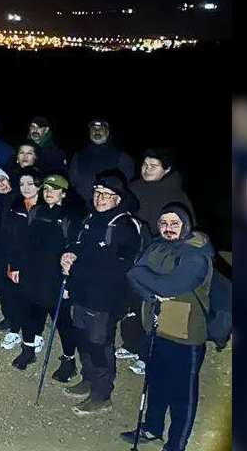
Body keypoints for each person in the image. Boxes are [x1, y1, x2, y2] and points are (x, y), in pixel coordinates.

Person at [121, 202, 215, 451]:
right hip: (157, 326)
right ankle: (152, 428)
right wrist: (153, 294)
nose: (168, 228)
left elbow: (170, 285)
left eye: (175, 223)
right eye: (164, 223)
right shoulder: (156, 244)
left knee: (182, 394)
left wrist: (152, 284)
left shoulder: (197, 254)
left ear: (185, 224)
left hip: (186, 334)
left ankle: (176, 444)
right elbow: (132, 273)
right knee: (156, 380)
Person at [59, 169, 144, 415]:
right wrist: (69, 254)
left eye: (107, 195)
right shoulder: (90, 218)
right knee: (83, 339)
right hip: (81, 292)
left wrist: (79, 265)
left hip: (104, 298)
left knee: (99, 344)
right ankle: (88, 380)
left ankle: (101, 394)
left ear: (118, 198)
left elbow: (119, 267)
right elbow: (78, 244)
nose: (100, 198)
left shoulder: (125, 225)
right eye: (98, 193)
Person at [118, 147, 195, 363]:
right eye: (144, 164)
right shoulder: (133, 187)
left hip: (157, 259)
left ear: (166, 169)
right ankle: (131, 344)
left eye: (153, 166)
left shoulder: (176, 196)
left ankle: (148, 354)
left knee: (150, 307)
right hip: (131, 254)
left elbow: (185, 233)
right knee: (129, 304)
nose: (146, 169)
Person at [6, 174, 82, 382]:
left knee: (63, 321)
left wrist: (71, 282)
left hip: (56, 277)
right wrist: (17, 267)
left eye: (55, 189)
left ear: (63, 194)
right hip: (32, 273)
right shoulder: (36, 212)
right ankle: (28, 350)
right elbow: (23, 242)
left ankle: (69, 360)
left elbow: (75, 249)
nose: (49, 192)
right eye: (46, 188)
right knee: (29, 313)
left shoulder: (70, 217)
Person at [0, 169, 42, 359]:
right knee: (14, 296)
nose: (25, 188)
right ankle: (15, 329)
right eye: (22, 184)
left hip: (37, 264)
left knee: (35, 300)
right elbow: (7, 232)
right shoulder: (15, 204)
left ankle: (36, 335)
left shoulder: (46, 207)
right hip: (14, 259)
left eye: (30, 183)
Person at [68, 119, 136, 200]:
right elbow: (72, 182)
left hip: (110, 206)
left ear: (107, 132)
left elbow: (127, 183)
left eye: (101, 129)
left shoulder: (121, 156)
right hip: (83, 206)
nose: (97, 131)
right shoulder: (78, 156)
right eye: (94, 129)